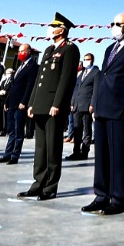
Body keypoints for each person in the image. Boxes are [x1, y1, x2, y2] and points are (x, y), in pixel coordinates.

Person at [86, 13, 124, 215]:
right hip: (103, 107)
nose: (113, 27)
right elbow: (104, 77)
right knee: (102, 155)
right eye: (112, 23)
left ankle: (117, 198)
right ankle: (101, 195)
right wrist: (95, 104)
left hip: (120, 109)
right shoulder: (109, 49)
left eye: (117, 24)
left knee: (118, 156)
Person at [22, 13, 80, 200]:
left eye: (53, 26)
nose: (49, 29)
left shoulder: (70, 49)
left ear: (61, 30)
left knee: (53, 147)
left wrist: (57, 104)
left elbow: (66, 79)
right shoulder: (48, 49)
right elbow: (39, 79)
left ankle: (50, 187)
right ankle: (38, 183)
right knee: (40, 148)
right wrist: (32, 103)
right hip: (40, 104)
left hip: (53, 106)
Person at [0, 42, 40, 164]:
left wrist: (24, 102)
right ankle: (7, 154)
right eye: (19, 51)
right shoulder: (20, 66)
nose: (20, 54)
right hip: (12, 103)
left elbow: (30, 86)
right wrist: (7, 101)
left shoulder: (32, 66)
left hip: (20, 103)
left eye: (22, 51)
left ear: (29, 52)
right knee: (11, 131)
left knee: (18, 131)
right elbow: (13, 85)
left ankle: (15, 156)